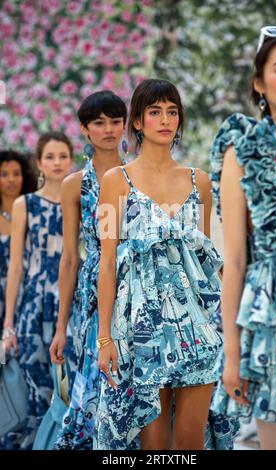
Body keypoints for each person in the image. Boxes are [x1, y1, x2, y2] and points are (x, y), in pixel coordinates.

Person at [94, 78, 226, 450]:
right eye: (155, 112)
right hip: (142, 332)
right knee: (153, 447)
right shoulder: (115, 181)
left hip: (198, 330)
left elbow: (205, 261)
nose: (165, 120)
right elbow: (107, 265)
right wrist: (105, 339)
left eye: (172, 112)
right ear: (137, 121)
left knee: (190, 445)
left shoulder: (198, 181)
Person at [210, 26, 276, 450]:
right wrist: (232, 354)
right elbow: (236, 260)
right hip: (274, 323)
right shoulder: (242, 150)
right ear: (260, 83)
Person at [50, 91, 127, 449]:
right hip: (94, 294)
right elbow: (70, 257)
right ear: (85, 129)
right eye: (99, 122)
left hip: (140, 287)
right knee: (95, 389)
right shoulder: (74, 184)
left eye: (115, 120)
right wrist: (61, 326)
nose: (109, 129)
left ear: (126, 124)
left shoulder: (139, 174)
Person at [2, 132, 76, 450]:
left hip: (73, 301)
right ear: (39, 162)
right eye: (50, 157)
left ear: (71, 159)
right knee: (36, 384)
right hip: (33, 305)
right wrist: (8, 324)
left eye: (63, 156)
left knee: (71, 383)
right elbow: (16, 267)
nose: (57, 163)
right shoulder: (25, 204)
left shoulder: (84, 196)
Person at [0, 150, 36, 333]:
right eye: (4, 174)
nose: (11, 180)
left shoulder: (36, 214)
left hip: (29, 294)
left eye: (16, 174)